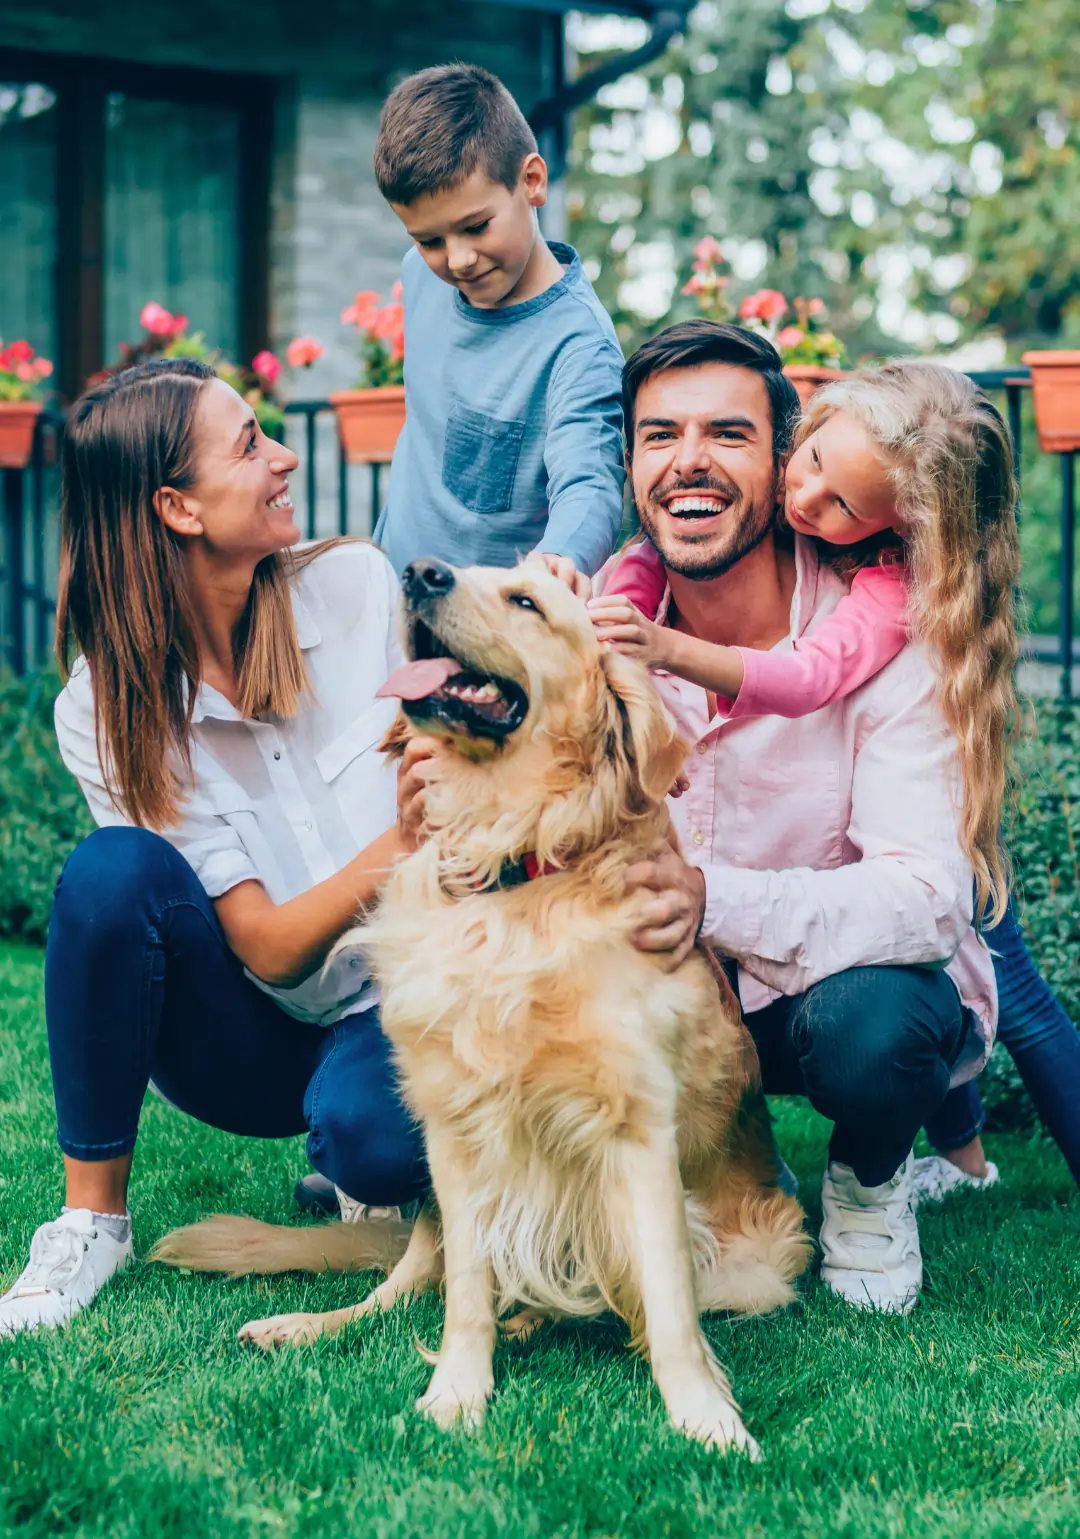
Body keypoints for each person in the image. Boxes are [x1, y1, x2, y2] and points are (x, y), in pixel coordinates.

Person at [544, 321, 1021, 1314]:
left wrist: (712, 898)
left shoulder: (887, 639)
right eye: (658, 435)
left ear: (776, 449)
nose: (688, 463)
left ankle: (870, 1177)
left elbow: (928, 899)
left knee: (880, 1026)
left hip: (806, 1001)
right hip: (658, 998)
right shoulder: (601, 630)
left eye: (726, 433)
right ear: (630, 462)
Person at [0, 359, 433, 1338]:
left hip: (411, 996)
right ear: (178, 509)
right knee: (111, 876)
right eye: (249, 445)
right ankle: (88, 1223)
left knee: (377, 1146)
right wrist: (403, 838)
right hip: (246, 1035)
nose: (283, 458)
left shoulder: (356, 589)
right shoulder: (102, 709)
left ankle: (352, 1163)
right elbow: (272, 949)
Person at [370, 63, 625, 580]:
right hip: (389, 595)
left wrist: (561, 559)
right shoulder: (419, 275)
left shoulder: (579, 346)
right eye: (430, 239)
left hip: (479, 635)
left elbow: (590, 480)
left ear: (531, 181)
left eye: (475, 226)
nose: (457, 259)